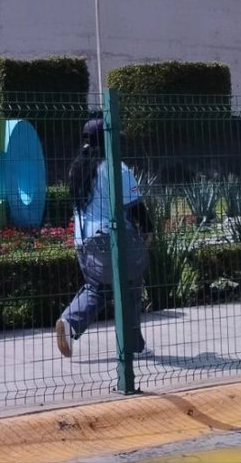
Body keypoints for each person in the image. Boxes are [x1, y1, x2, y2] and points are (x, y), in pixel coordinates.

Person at [55, 118, 155, 359]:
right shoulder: (115, 168)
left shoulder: (76, 170)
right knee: (130, 286)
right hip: (110, 240)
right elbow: (135, 206)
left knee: (97, 287)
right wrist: (149, 230)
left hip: (83, 242)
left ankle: (69, 321)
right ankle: (133, 346)